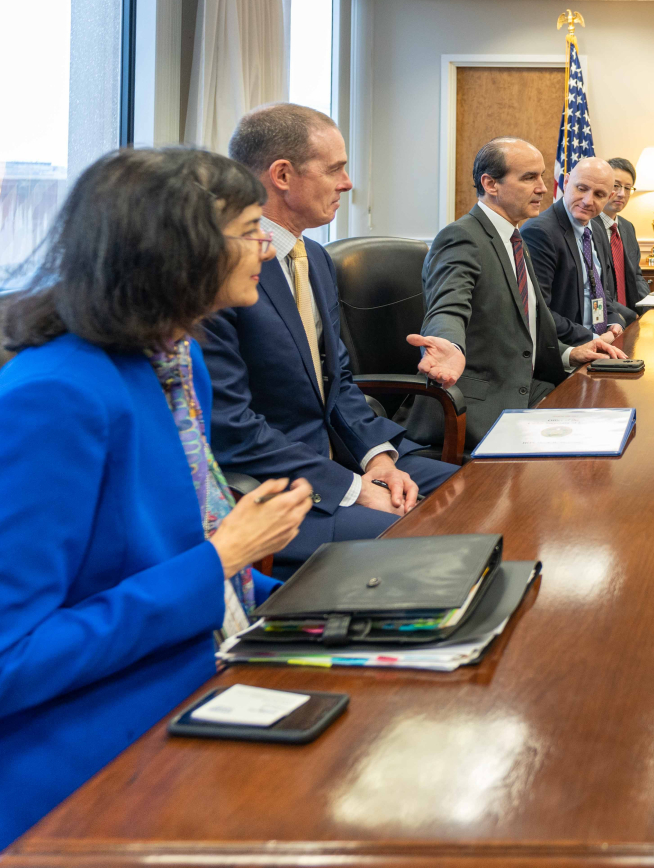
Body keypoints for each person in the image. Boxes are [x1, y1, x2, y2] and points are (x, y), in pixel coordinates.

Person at [0, 148, 313, 847]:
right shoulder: (55, 397)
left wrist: (273, 584)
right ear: (181, 251)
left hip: (206, 672)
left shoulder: (179, 359)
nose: (266, 246)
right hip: (92, 764)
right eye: (250, 229)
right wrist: (219, 558)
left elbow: (163, 550)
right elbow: (10, 658)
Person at [201, 103, 455, 575]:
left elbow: (336, 379)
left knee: (476, 493)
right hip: (275, 490)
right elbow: (232, 428)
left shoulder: (313, 257)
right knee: (435, 537)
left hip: (345, 459)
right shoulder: (219, 270)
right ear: (282, 174)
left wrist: (377, 459)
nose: (347, 182)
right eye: (335, 168)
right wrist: (352, 489)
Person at [411, 138, 626, 451]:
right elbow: (448, 307)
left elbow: (526, 328)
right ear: (490, 184)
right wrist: (449, 344)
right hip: (479, 409)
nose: (542, 187)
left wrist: (569, 353)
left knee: (613, 428)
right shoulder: (462, 237)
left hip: (531, 388)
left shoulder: (513, 237)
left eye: (541, 176)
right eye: (529, 178)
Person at [522, 156, 630, 346]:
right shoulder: (540, 232)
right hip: (565, 351)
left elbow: (602, 292)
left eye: (599, 194)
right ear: (566, 182)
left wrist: (613, 321)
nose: (588, 201)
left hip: (601, 341)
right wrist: (593, 339)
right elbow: (538, 311)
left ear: (609, 197)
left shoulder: (596, 229)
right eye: (581, 188)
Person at [600, 156, 652, 318]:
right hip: (605, 317)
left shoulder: (627, 228)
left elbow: (636, 276)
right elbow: (597, 289)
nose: (622, 194)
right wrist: (629, 316)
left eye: (628, 188)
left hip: (631, 317)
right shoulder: (587, 227)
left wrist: (649, 307)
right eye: (616, 186)